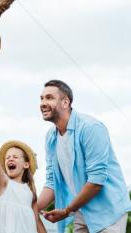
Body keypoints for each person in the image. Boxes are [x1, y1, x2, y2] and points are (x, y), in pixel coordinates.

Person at [37, 79, 131, 233]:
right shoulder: (51, 137)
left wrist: (67, 210)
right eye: (41, 98)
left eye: (49, 97)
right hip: (81, 210)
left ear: (65, 102)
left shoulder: (90, 128)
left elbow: (96, 180)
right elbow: (52, 181)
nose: (42, 103)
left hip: (108, 211)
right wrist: (31, 208)